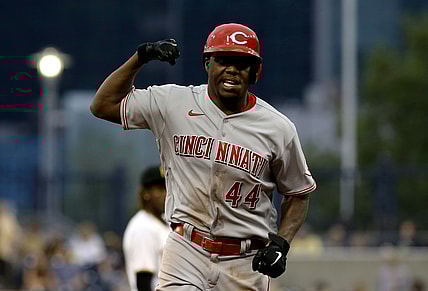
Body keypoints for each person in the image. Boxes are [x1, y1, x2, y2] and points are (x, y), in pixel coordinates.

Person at [91, 23, 317, 290]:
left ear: (255, 72)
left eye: (242, 63)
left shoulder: (278, 128)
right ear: (208, 64)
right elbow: (103, 105)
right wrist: (141, 58)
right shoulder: (173, 103)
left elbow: (298, 193)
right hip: (186, 248)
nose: (231, 69)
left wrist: (281, 243)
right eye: (222, 60)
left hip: (244, 260)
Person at [123, 165, 169, 291]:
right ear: (146, 193)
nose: (165, 194)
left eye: (167, 188)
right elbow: (143, 280)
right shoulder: (143, 227)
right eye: (159, 189)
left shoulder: (164, 222)